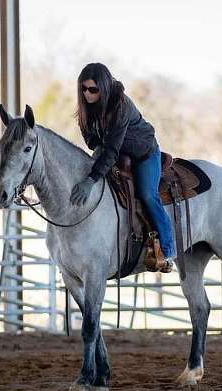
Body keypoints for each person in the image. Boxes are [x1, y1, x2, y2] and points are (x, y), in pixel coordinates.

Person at [70, 62, 175, 272]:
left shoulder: (121, 105)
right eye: (83, 89)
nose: (87, 94)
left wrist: (91, 180)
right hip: (115, 151)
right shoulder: (86, 107)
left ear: (104, 87)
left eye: (93, 89)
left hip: (143, 153)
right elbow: (92, 143)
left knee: (147, 195)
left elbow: (111, 150)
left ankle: (167, 250)